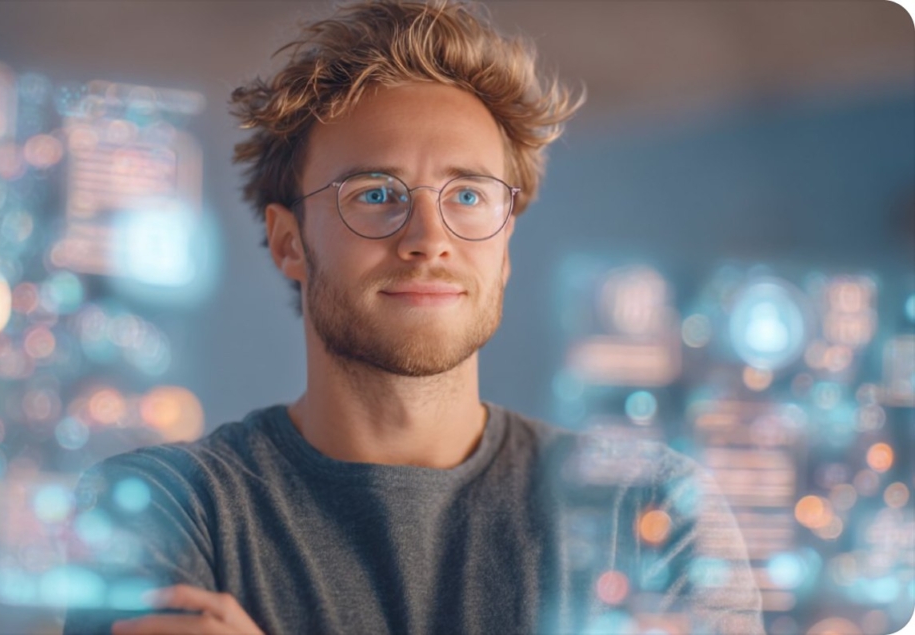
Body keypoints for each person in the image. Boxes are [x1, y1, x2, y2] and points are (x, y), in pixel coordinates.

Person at [62, 1, 764, 633]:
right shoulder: (165, 508)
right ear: (288, 242)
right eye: (374, 194)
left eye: (468, 196)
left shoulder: (646, 509)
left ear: (506, 243)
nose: (429, 238)